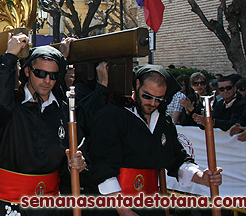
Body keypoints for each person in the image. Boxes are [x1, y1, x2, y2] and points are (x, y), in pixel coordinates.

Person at [90, 65, 222, 215]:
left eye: (159, 99)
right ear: (138, 84)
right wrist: (124, 210)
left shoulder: (163, 120)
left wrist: (200, 177)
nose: (152, 103)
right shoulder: (111, 116)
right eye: (147, 96)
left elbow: (176, 157)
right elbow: (103, 166)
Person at [0, 33, 86, 215]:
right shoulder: (12, 106)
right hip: (10, 205)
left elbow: (76, 148)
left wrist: (79, 162)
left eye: (53, 76)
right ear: (27, 72)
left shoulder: (63, 110)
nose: (47, 81)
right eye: (40, 74)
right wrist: (9, 56)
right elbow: (0, 101)